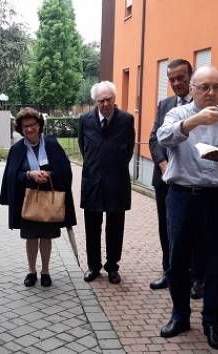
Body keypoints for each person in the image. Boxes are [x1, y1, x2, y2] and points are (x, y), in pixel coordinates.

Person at [156, 65, 218, 350]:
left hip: (217, 198)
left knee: (214, 264)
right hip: (182, 196)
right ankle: (180, 315)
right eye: (204, 86)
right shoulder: (178, 114)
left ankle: (212, 323)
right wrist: (194, 121)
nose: (211, 92)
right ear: (192, 88)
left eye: (216, 86)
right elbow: (163, 138)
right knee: (177, 261)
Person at [0, 107, 76, 287]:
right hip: (28, 201)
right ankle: (32, 271)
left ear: (39, 125)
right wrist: (29, 175)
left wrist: (49, 175)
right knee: (31, 237)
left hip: (49, 200)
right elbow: (12, 176)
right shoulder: (17, 149)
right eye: (25, 126)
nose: (29, 129)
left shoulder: (51, 145)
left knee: (47, 237)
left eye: (32, 124)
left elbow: (65, 171)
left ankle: (46, 271)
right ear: (21, 128)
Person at [148, 59, 204, 299]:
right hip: (166, 180)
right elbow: (154, 138)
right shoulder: (165, 105)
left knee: (193, 231)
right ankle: (169, 272)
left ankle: (195, 278)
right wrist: (163, 165)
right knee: (167, 229)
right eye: (171, 79)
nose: (176, 83)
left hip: (193, 181)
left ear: (191, 79)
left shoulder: (203, 105)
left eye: (181, 78)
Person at [78, 81, 135, 284]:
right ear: (95, 101)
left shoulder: (127, 120)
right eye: (100, 100)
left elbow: (129, 150)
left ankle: (112, 266)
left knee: (115, 228)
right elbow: (83, 147)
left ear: (114, 99)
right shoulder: (85, 120)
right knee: (92, 228)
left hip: (117, 183)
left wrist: (113, 166)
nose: (105, 104)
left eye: (108, 99)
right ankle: (94, 266)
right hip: (92, 182)